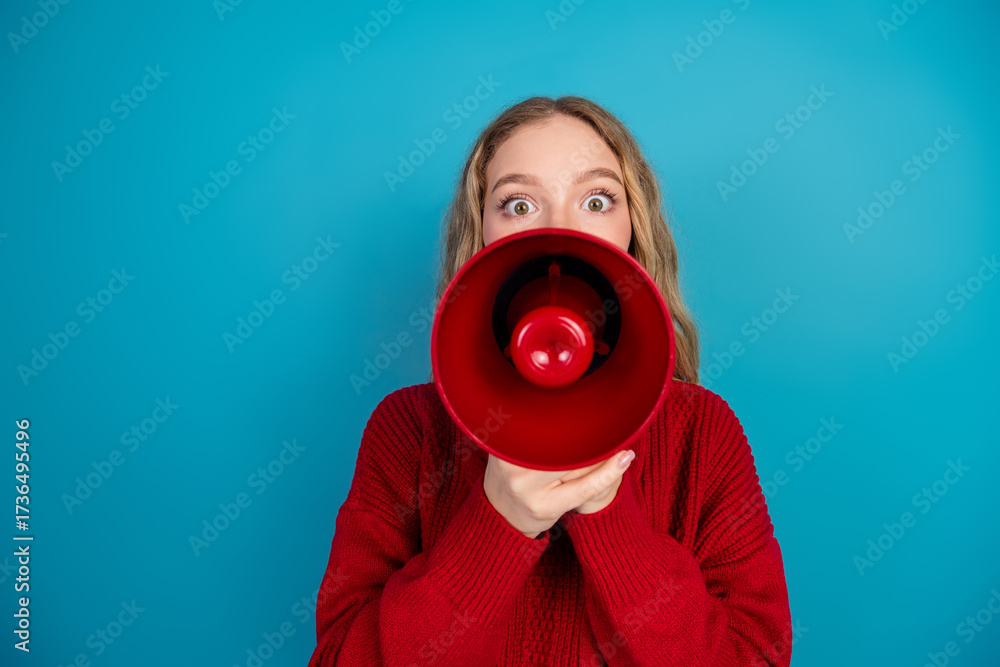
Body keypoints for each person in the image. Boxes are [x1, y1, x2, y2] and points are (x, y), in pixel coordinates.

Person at [307, 96, 792, 666]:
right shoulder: (407, 431)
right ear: (481, 234)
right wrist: (496, 525)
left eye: (595, 200)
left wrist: (610, 519)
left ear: (633, 229)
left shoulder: (703, 433)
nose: (560, 231)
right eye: (517, 204)